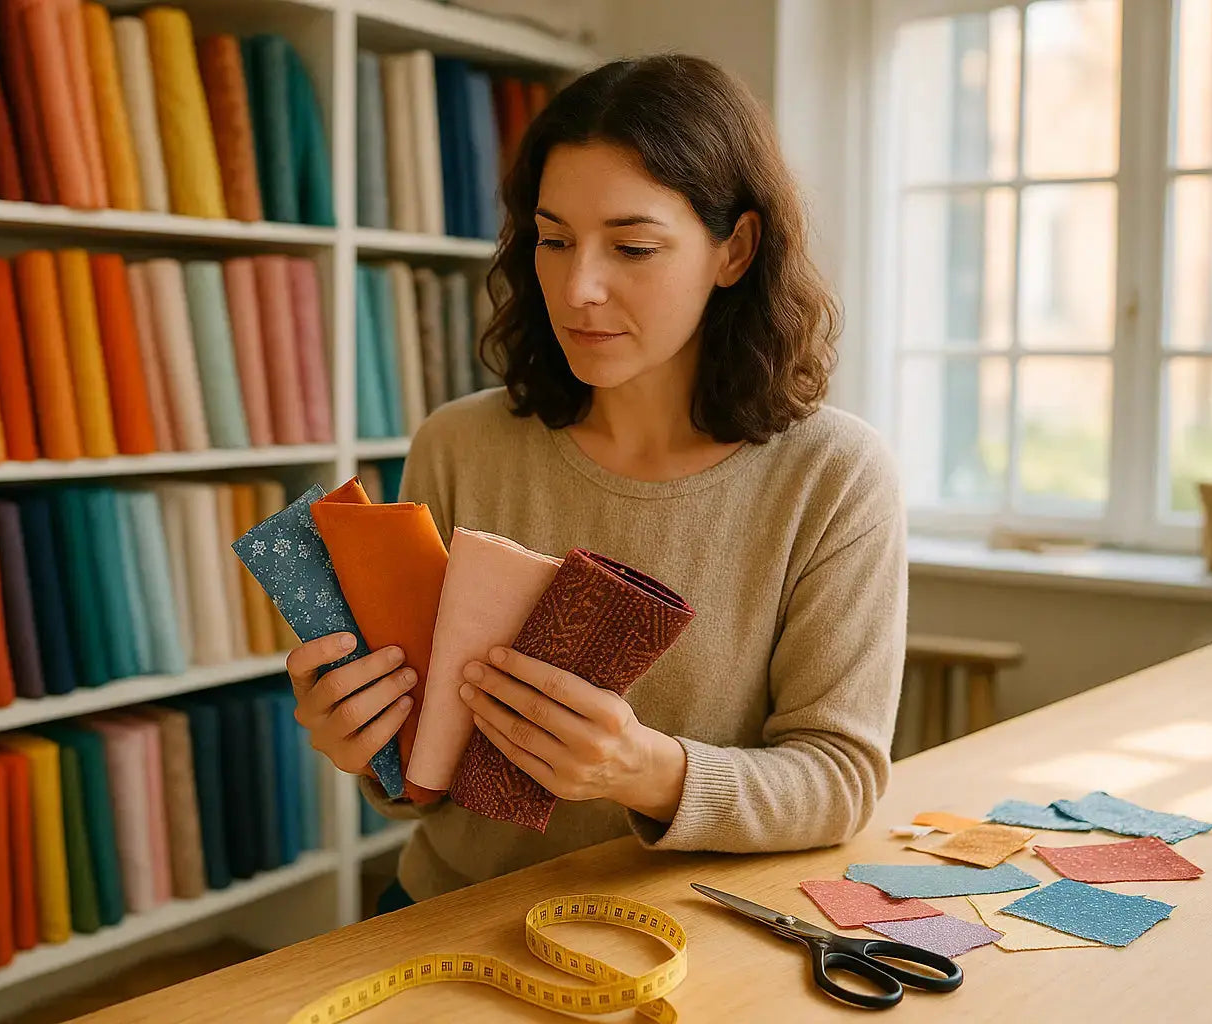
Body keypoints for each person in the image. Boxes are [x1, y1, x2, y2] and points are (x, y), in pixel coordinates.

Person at [286, 53, 906, 914]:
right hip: (447, 916)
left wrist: (645, 771)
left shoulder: (833, 477)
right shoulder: (458, 444)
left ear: (735, 250)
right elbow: (421, 782)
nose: (577, 288)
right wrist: (363, 740)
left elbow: (838, 781)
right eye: (553, 239)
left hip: (690, 939)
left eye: (633, 246)